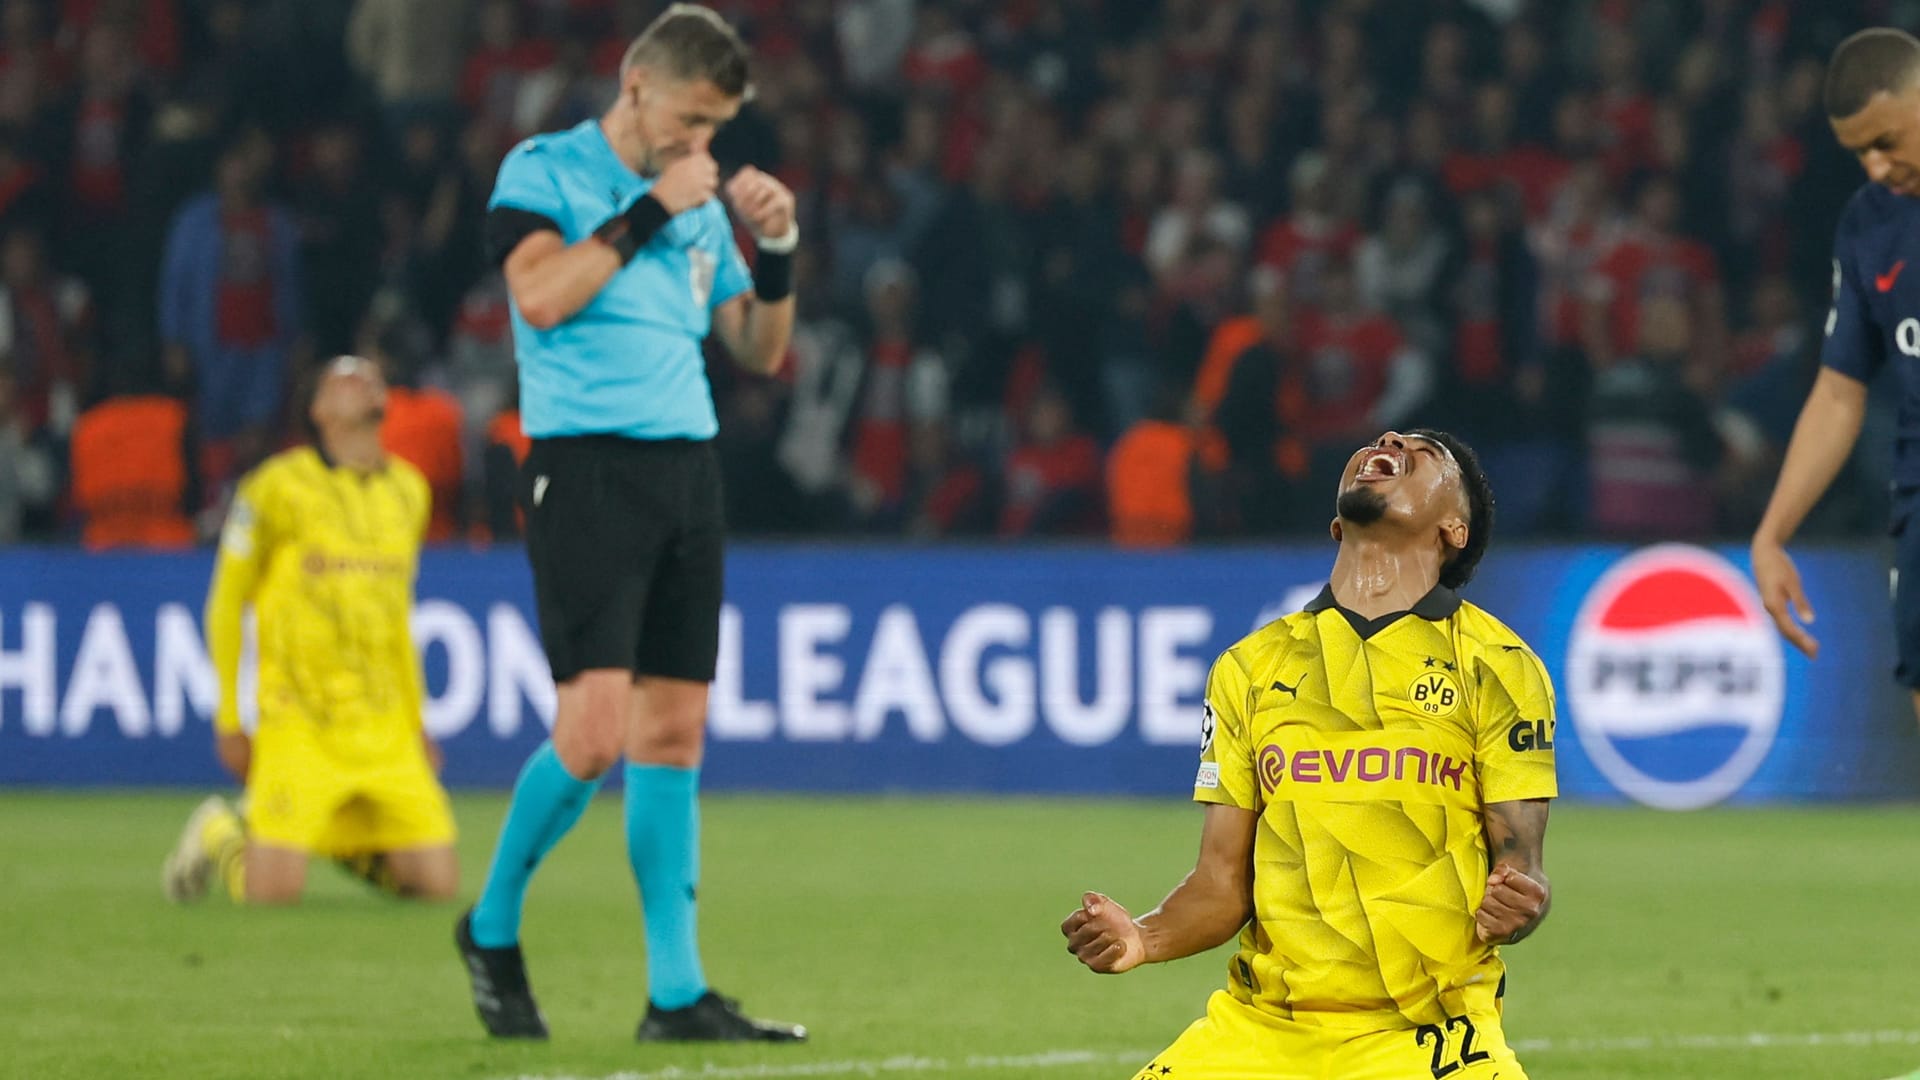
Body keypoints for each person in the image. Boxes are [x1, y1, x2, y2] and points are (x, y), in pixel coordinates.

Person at [452, 3, 804, 1044]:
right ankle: (492, 925)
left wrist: (776, 247)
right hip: (585, 464)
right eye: (691, 119)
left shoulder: (697, 199)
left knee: (672, 732)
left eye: (717, 129)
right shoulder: (544, 169)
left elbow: (756, 347)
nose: (703, 146)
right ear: (636, 83)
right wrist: (653, 206)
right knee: (594, 731)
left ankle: (676, 992)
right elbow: (544, 297)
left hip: (686, 469)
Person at [1062, 429, 1556, 1080]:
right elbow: (1220, 884)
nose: (1391, 440)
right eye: (1384, 440)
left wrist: (1522, 905)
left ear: (1455, 530)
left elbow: (1522, 875)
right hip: (1260, 1033)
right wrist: (1144, 937)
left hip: (1428, 1039)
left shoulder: (1499, 668)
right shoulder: (1250, 668)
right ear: (1335, 524)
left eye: (1426, 452)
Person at [160, 355, 458, 905]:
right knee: (271, 894)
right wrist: (229, 716)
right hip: (299, 717)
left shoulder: (409, 491)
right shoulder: (273, 488)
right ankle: (220, 831)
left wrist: (417, 720)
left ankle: (321, 832)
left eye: (372, 375)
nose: (364, 381)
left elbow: (397, 619)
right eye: (344, 378)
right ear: (318, 410)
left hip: (383, 723)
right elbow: (227, 603)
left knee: (437, 887)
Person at [1753, 28, 1920, 729]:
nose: (1877, 166)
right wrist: (1772, 534)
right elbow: (1838, 390)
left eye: (1887, 140)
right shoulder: (1869, 226)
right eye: (1860, 152)